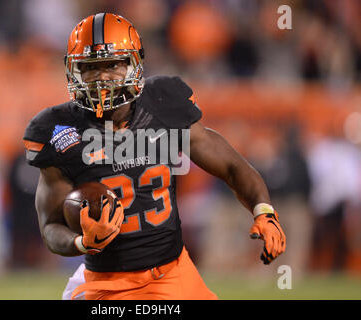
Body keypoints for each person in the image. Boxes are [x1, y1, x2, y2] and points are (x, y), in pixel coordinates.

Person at [23, 13, 286, 300]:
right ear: (74, 71)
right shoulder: (59, 130)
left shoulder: (164, 101)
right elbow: (50, 225)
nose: (102, 77)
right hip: (109, 281)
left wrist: (264, 211)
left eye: (113, 64)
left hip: (174, 272)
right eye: (90, 67)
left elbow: (232, 167)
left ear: (134, 63)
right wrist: (82, 242)